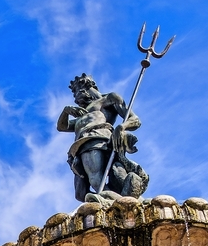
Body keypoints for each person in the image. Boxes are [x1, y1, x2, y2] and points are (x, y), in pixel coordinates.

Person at [56, 74, 146, 202]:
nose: (76, 98)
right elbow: (62, 127)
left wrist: (121, 127)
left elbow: (135, 120)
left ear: (86, 89)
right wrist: (65, 111)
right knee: (80, 193)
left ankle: (115, 204)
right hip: (81, 146)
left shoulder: (107, 99)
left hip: (95, 139)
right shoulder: (82, 114)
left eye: (78, 92)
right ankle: (133, 200)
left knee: (97, 182)